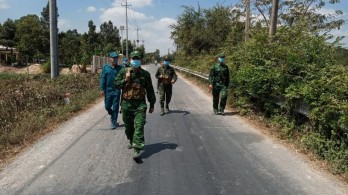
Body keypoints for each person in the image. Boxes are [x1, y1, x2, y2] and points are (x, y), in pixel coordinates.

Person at [114, 50, 156, 160]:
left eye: (137, 59)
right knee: (128, 128)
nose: (135, 61)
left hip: (140, 105)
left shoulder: (145, 74)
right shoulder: (124, 71)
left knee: (139, 126)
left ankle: (137, 148)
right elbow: (116, 84)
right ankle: (131, 140)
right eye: (134, 59)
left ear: (140, 60)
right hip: (126, 105)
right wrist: (125, 79)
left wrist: (152, 104)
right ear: (130, 60)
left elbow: (150, 90)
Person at [100, 51, 123, 129]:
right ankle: (111, 112)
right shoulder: (106, 68)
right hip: (108, 90)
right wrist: (102, 88)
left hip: (116, 90)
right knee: (107, 106)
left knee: (116, 106)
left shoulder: (120, 68)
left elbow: (124, 78)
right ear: (110, 59)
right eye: (114, 58)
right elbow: (103, 78)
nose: (115, 59)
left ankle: (113, 122)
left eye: (116, 58)